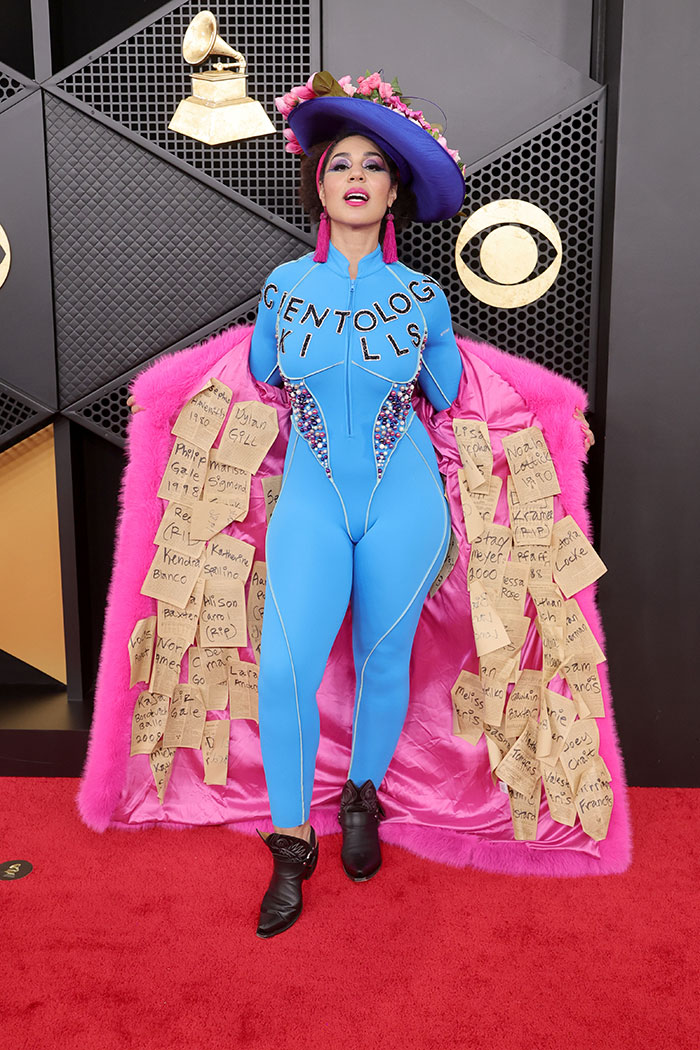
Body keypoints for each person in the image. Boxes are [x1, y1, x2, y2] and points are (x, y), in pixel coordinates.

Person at [127, 71, 595, 940]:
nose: (354, 175)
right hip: (308, 504)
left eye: (374, 166)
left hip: (407, 510)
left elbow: (460, 394)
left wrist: (548, 412)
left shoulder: (423, 300)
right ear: (321, 182)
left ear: (392, 193)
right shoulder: (281, 289)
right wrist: (165, 403)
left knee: (387, 665)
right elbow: (256, 377)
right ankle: (292, 844)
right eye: (340, 161)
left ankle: (363, 799)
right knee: (283, 670)